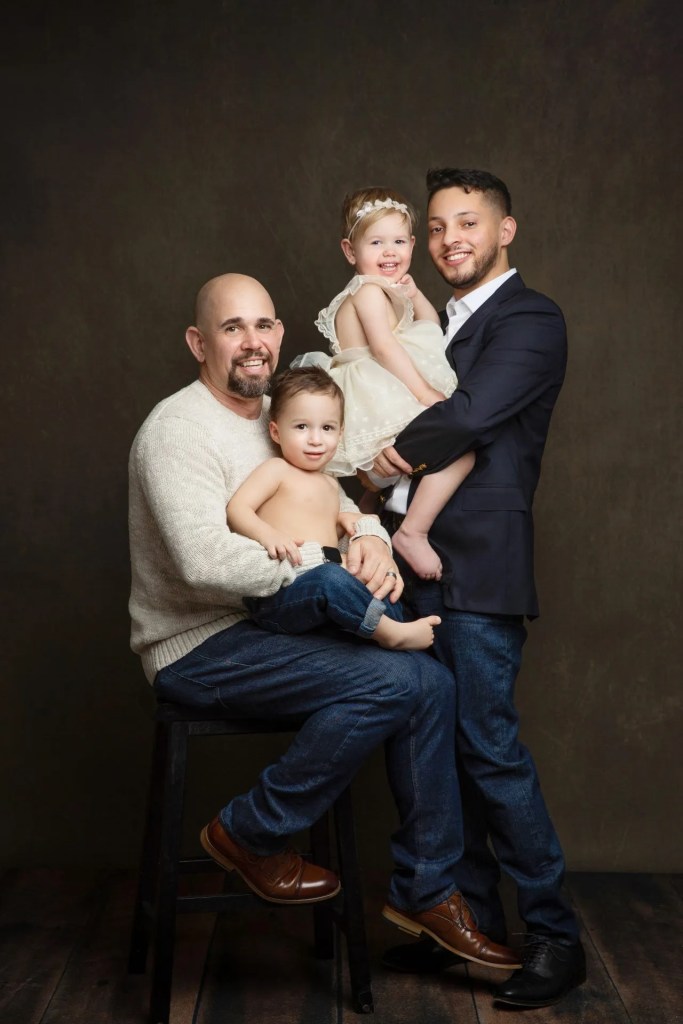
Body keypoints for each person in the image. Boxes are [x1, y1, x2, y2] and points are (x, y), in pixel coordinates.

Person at [128, 272, 521, 972]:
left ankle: (428, 892)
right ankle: (249, 833)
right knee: (397, 683)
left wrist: (367, 537)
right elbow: (201, 561)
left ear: (281, 334)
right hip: (200, 646)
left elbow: (334, 492)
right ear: (198, 342)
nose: (253, 342)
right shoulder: (176, 428)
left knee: (428, 682)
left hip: (278, 625)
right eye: (231, 328)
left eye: (265, 325)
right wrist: (329, 564)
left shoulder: (284, 415)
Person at [373, 170, 586, 1008]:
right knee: (430, 755)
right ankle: (463, 924)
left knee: (487, 751)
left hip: (480, 566)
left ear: (506, 231)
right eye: (433, 227)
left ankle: (552, 937)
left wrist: (381, 459)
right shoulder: (427, 320)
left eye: (467, 222)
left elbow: (467, 417)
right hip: (407, 562)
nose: (448, 238)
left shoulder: (530, 319)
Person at [296, 187, 475, 581]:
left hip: (374, 391)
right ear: (350, 251)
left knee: (388, 476)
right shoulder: (368, 290)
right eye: (376, 243)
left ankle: (369, 507)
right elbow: (384, 347)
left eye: (398, 242)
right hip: (378, 391)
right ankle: (413, 531)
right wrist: (425, 394)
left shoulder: (385, 290)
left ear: (412, 245)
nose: (389, 252)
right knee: (463, 449)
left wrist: (415, 293)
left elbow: (431, 326)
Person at [227, 365, 442, 650]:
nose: (316, 439)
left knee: (376, 586)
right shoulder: (276, 470)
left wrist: (348, 519)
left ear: (340, 433)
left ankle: (398, 626)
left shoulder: (329, 483)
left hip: (323, 595)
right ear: (276, 432)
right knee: (331, 580)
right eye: (301, 427)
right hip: (283, 594)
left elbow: (324, 521)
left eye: (327, 428)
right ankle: (391, 634)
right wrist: (268, 535)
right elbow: (238, 509)